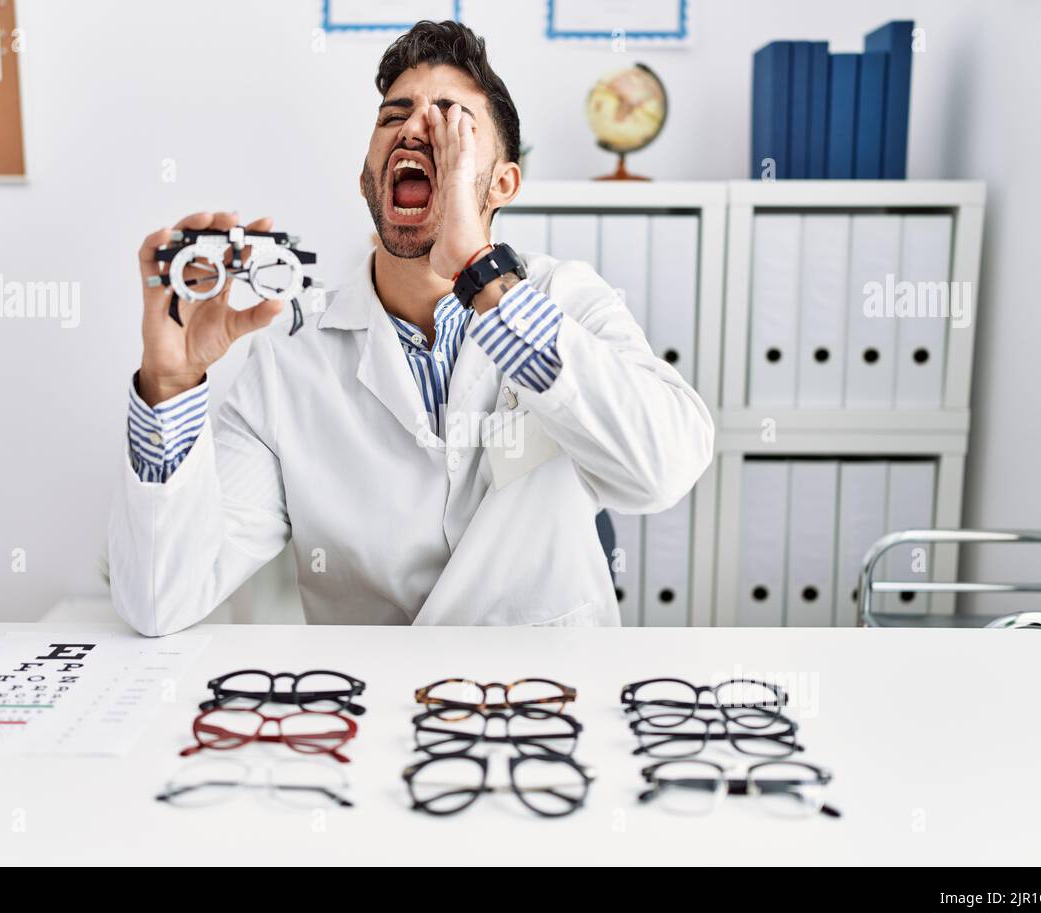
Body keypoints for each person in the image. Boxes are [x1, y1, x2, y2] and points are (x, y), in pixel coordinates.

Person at [109, 20, 713, 634]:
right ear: (368, 176)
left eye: (452, 119)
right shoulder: (290, 361)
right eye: (393, 115)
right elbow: (161, 602)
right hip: (371, 711)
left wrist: (483, 276)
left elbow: (662, 471)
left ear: (503, 183)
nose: (415, 127)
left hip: (548, 701)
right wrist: (170, 383)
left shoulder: (567, 300)